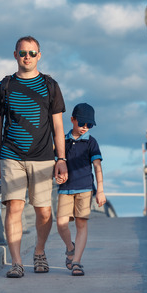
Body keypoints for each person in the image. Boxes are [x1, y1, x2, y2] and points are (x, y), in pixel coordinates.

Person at [0, 36, 68, 278]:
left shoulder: (50, 86)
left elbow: (57, 127)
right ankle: (16, 262)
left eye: (32, 53)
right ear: (15, 55)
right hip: (11, 156)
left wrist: (61, 159)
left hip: (44, 157)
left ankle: (39, 252)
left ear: (39, 56)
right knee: (14, 207)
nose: (27, 57)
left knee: (44, 211)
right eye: (23, 52)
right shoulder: (4, 87)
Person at [55, 102, 107, 276]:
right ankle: (70, 248)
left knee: (81, 224)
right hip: (65, 188)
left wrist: (100, 190)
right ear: (72, 120)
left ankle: (76, 261)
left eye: (89, 125)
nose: (85, 128)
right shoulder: (63, 141)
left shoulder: (91, 142)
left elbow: (97, 167)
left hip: (85, 188)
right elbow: (56, 163)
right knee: (61, 224)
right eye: (82, 123)